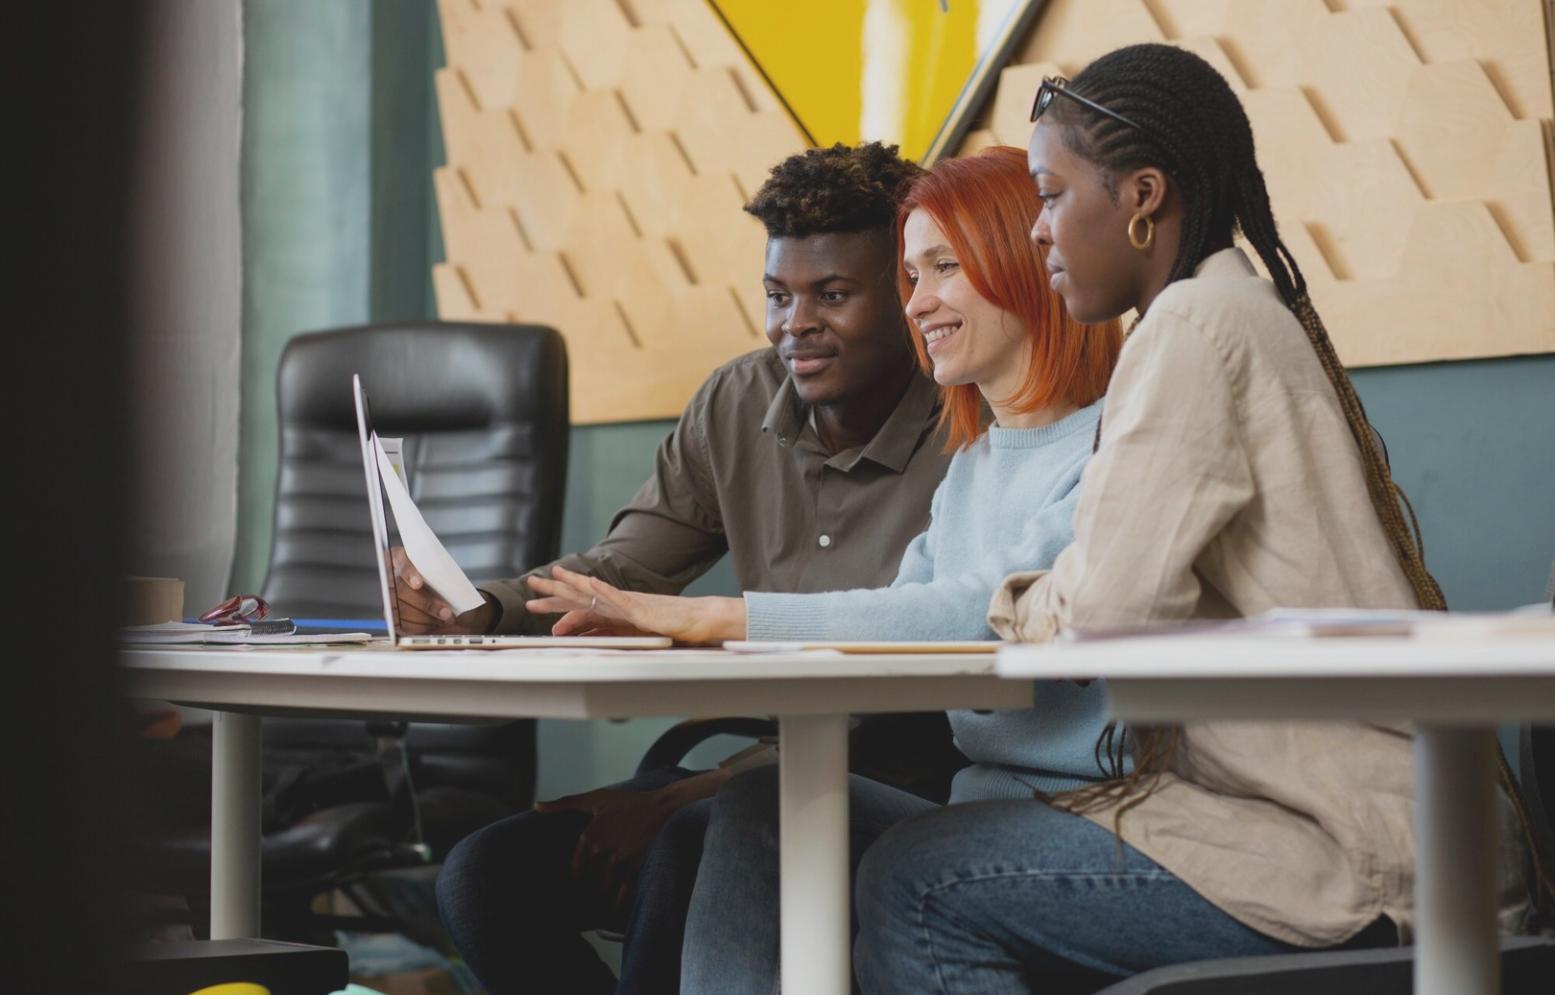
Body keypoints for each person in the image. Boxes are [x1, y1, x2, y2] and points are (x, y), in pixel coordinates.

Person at [845, 44, 1532, 993]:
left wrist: (1015, 600)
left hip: (1355, 856)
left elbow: (1104, 613)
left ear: (1142, 197)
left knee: (918, 880)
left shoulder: (1191, 329)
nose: (1040, 231)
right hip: (1349, 831)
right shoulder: (1224, 308)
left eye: (1049, 194)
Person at [523, 147, 1124, 993]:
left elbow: (983, 607)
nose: (918, 301)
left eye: (942, 267)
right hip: (978, 803)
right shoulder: (977, 465)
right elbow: (897, 609)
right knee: (752, 810)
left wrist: (716, 618)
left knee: (888, 861)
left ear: (1023, 263)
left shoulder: (1117, 444)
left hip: (1089, 819)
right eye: (911, 274)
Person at [421, 142, 967, 995]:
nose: (796, 324)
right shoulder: (737, 401)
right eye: (779, 296)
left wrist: (687, 794)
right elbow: (617, 572)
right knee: (486, 872)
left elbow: (921, 711)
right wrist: (473, 611)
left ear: (907, 294)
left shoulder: (967, 422)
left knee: (685, 837)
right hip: (755, 773)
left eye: (833, 294)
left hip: (904, 781)